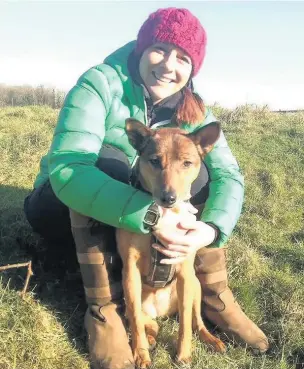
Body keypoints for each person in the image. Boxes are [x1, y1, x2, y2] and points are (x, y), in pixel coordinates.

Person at [24, 7, 269, 369]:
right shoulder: (100, 83)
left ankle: (214, 297)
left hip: (131, 207)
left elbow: (230, 177)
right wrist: (152, 214)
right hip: (58, 202)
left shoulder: (194, 109)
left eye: (183, 58)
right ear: (141, 49)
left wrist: (209, 230)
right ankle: (104, 310)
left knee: (194, 172)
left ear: (192, 68)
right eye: (160, 49)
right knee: (108, 164)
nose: (169, 65)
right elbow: (68, 169)